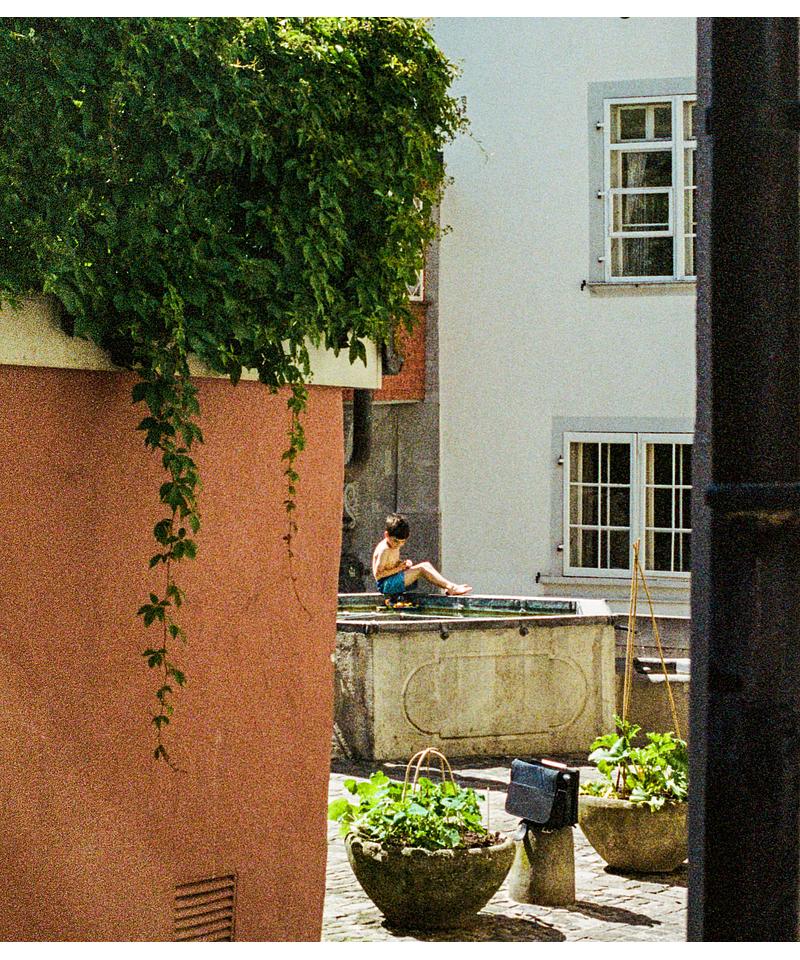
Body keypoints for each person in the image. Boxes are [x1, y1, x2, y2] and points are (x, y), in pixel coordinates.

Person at [371, 513, 472, 599]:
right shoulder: (384, 549)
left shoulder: (393, 545)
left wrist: (402, 564)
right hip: (385, 586)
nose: (398, 545)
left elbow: (390, 564)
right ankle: (451, 587)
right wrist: (399, 568)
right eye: (396, 541)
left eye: (402, 542)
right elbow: (378, 575)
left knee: (426, 565)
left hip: (391, 580)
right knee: (422, 569)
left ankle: (449, 586)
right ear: (386, 535)